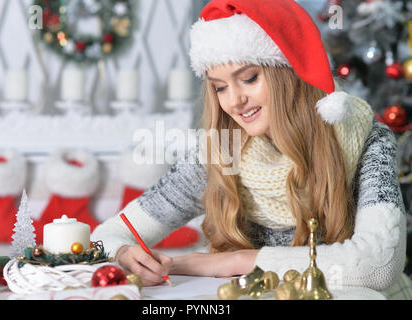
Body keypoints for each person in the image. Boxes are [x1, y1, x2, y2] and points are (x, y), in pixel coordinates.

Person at [91, 0, 408, 295]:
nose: (234, 101)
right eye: (220, 87)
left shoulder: (367, 138)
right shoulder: (221, 151)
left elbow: (379, 267)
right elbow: (106, 235)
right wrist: (122, 253)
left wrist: (234, 262)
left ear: (289, 72)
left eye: (249, 78)